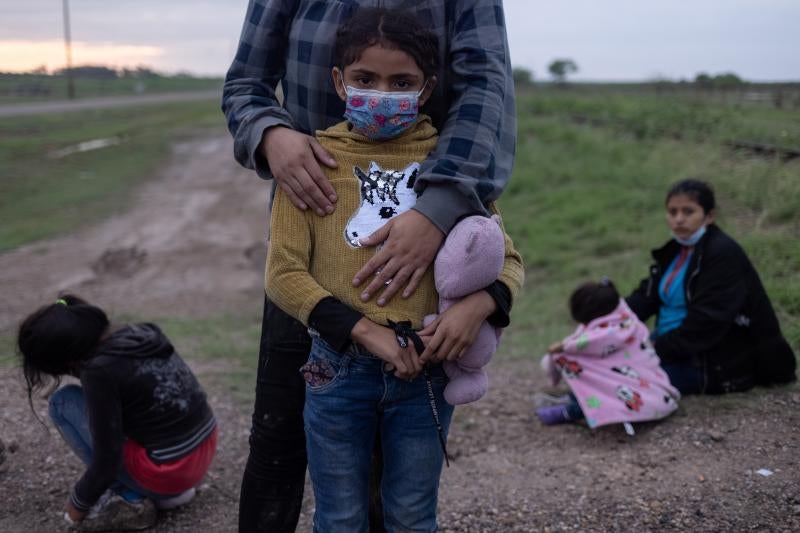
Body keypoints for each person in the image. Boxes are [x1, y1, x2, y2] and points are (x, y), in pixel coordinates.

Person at [222, 1, 516, 530]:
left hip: (433, 261)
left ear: (424, 88)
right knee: (282, 447)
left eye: (401, 82)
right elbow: (246, 85)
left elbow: (484, 91)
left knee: (405, 501)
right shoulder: (322, 159)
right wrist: (272, 134)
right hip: (315, 259)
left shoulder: (436, 158)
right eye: (364, 79)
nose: (381, 94)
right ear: (341, 81)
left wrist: (438, 213)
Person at [16, 295, 217, 532]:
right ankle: (169, 491)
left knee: (63, 401)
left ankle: (131, 497)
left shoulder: (99, 371)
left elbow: (107, 461)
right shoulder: (143, 333)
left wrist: (76, 506)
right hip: (204, 450)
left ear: (68, 359)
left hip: (168, 475)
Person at [626, 179, 796, 394]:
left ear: (709, 216)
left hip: (710, 362)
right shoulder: (676, 249)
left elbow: (707, 321)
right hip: (670, 344)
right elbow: (647, 296)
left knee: (627, 380)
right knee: (606, 364)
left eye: (688, 212)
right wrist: (610, 318)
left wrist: (654, 349)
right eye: (672, 212)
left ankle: (573, 410)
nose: (678, 219)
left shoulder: (722, 253)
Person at [536, 280, 679, 429]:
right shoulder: (627, 320)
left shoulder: (605, 335)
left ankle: (569, 412)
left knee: (596, 392)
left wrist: (563, 348)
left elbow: (583, 344)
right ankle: (572, 398)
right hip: (658, 394)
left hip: (642, 399)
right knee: (597, 378)